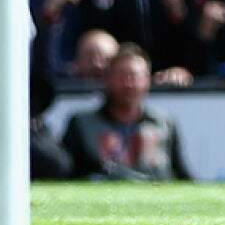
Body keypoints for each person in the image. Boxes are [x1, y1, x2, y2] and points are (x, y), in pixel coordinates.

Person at [62, 44, 194, 180]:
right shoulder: (83, 123)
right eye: (122, 76)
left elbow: (181, 173)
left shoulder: (164, 124)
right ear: (108, 79)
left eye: (135, 77)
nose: (129, 84)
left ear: (147, 80)